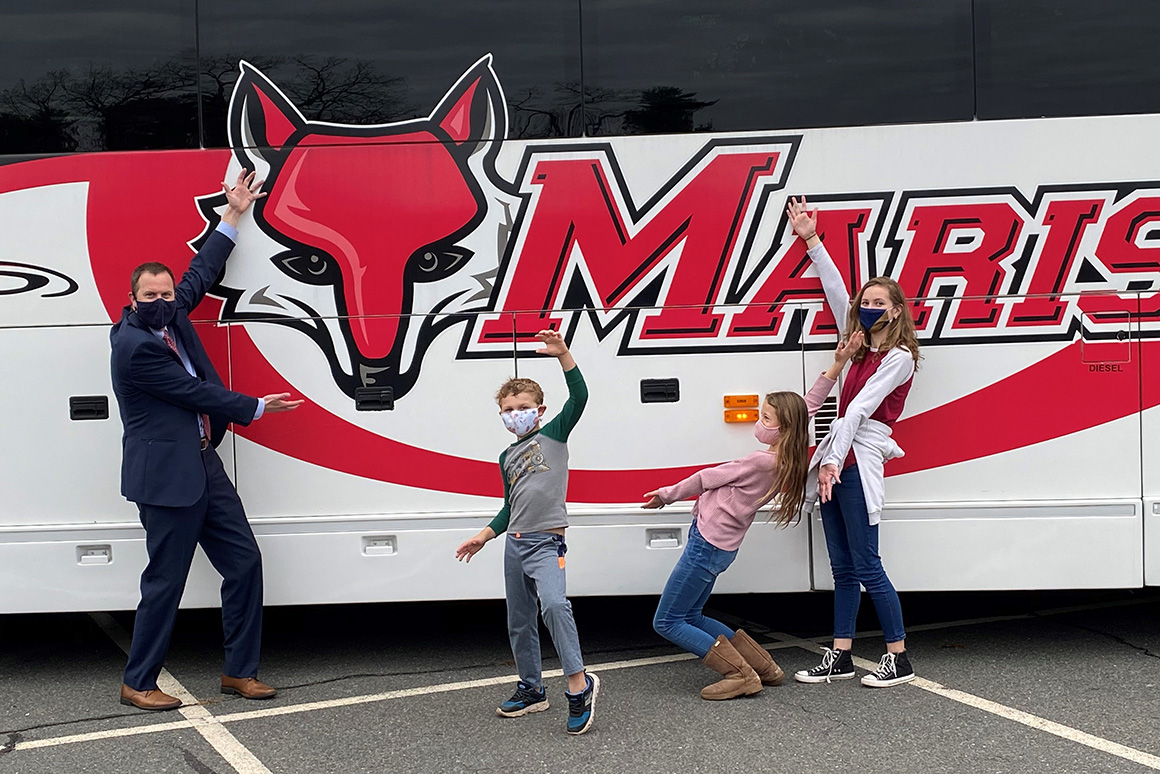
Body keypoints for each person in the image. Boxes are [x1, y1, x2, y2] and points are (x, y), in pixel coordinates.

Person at [110, 169, 303, 711]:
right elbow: (192, 392)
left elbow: (199, 272)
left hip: (203, 466)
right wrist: (257, 406)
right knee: (165, 584)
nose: (161, 299)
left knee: (244, 563)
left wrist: (233, 214)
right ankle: (138, 681)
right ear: (131, 300)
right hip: (166, 479)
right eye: (149, 294)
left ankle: (239, 673)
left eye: (166, 293)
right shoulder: (134, 347)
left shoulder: (172, 316)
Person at [642, 333, 862, 699]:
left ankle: (740, 674)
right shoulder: (790, 455)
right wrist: (837, 365)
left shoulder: (760, 461)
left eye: (765, 417)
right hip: (722, 545)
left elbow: (704, 478)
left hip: (706, 543)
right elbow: (808, 404)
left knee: (667, 621)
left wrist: (665, 496)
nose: (759, 423)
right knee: (693, 615)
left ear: (782, 427)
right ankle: (764, 666)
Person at [786, 196, 921, 688]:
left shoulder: (899, 357)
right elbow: (836, 288)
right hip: (837, 454)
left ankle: (898, 656)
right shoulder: (859, 340)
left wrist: (831, 463)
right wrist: (811, 238)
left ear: (897, 310)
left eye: (878, 303)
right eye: (866, 303)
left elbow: (859, 409)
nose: (867, 308)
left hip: (857, 457)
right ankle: (840, 654)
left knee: (867, 563)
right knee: (842, 567)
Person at [455, 330, 599, 735]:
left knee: (554, 607)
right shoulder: (506, 456)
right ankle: (532, 689)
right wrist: (484, 535)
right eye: (508, 408)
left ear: (539, 410)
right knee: (519, 621)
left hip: (546, 542)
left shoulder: (553, 435)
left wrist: (564, 355)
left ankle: (578, 685)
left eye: (523, 407)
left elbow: (580, 398)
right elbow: (509, 506)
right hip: (514, 544)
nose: (515, 413)